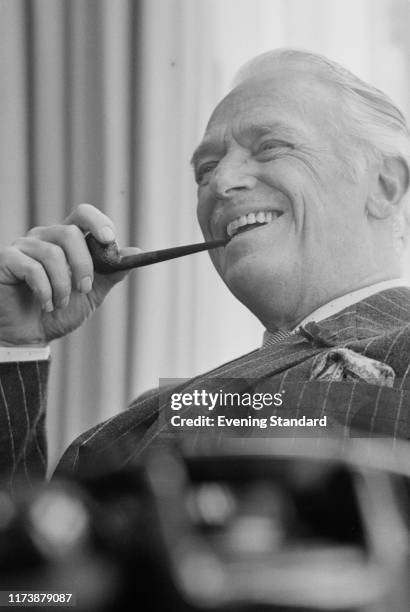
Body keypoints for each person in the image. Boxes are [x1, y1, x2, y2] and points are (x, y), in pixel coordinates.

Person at [0, 49, 409, 488]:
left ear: (385, 185)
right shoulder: (158, 409)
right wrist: (14, 345)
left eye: (271, 146)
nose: (221, 182)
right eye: (206, 169)